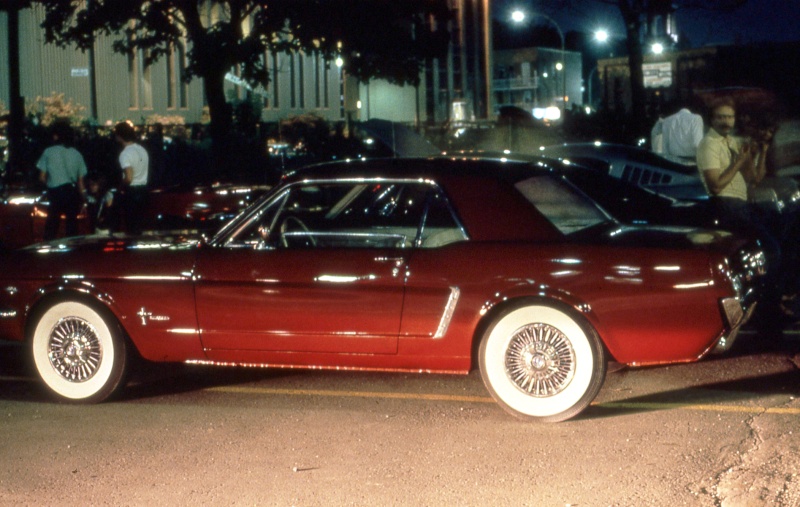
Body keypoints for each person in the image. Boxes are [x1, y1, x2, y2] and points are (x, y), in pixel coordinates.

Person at [36, 122, 87, 240]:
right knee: (72, 224)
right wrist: (84, 197)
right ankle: (72, 249)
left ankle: (49, 248)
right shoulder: (77, 154)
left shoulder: (48, 152)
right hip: (72, 191)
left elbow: (42, 177)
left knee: (52, 223)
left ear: (55, 136)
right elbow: (80, 182)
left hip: (55, 191)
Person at [113, 121, 149, 235]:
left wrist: (119, 187)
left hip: (132, 193)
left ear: (119, 136)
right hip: (144, 190)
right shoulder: (142, 150)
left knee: (131, 226)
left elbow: (128, 178)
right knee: (140, 226)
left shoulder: (125, 154)